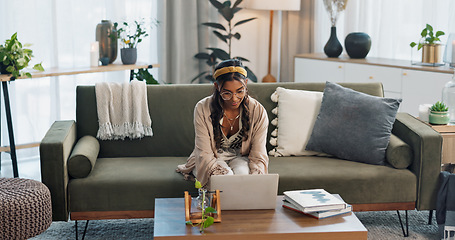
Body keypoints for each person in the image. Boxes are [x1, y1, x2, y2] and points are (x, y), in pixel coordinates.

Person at [176, 59, 269, 187]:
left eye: (240, 91)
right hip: (211, 158)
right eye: (227, 93)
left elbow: (258, 154)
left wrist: (256, 180)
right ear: (217, 87)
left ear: (246, 84)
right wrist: (220, 174)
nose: (234, 99)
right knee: (225, 178)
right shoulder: (202, 108)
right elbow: (204, 153)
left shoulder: (258, 111)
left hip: (240, 157)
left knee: (244, 175)